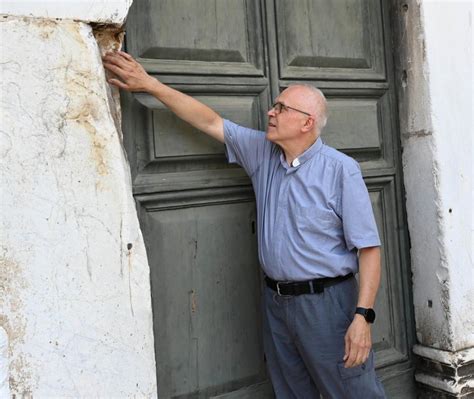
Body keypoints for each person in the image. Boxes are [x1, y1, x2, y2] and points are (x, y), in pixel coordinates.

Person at [103, 50, 387, 399]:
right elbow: (208, 121)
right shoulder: (261, 153)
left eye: (281, 108)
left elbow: (369, 249)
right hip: (277, 304)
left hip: (327, 305)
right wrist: (149, 84)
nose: (270, 111)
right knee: (293, 392)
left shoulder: (340, 170)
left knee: (352, 392)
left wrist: (362, 317)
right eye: (275, 105)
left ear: (307, 122)